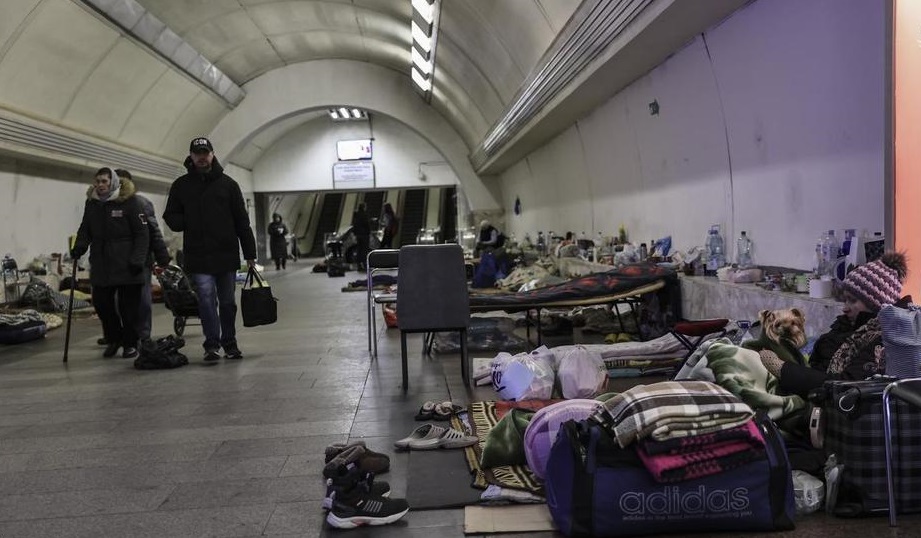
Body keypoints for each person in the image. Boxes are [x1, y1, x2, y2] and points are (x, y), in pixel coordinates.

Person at [759, 252, 908, 398]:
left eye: (852, 300)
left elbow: (847, 384)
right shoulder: (851, 327)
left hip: (834, 409)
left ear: (876, 304)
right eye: (845, 300)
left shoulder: (883, 341)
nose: (845, 307)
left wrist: (783, 369)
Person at [163, 137, 257, 363]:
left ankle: (230, 343)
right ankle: (212, 345)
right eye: (198, 153)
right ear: (191, 156)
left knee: (227, 302)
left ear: (213, 155)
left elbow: (242, 222)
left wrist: (250, 254)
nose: (202, 157)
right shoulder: (182, 186)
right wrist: (188, 220)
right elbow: (171, 216)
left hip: (226, 254)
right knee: (205, 298)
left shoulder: (228, 185)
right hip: (198, 254)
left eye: (206, 153)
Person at [72, 167, 150, 359]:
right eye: (97, 181)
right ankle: (115, 338)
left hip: (127, 264)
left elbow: (142, 235)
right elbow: (85, 230)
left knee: (128, 308)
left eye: (104, 181)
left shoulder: (130, 202)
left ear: (113, 182)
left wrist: (137, 259)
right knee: (102, 304)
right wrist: (79, 247)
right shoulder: (92, 204)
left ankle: (130, 343)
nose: (100, 185)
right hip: (102, 264)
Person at [116, 169, 170, 342]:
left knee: (142, 299)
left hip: (140, 260)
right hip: (116, 262)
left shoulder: (141, 203)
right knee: (119, 301)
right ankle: (123, 335)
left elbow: (153, 231)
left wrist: (162, 256)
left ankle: (143, 334)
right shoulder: (105, 205)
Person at [351, 203, 371, 271]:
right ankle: (365, 265)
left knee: (359, 250)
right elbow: (366, 224)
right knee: (364, 250)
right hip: (364, 234)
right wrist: (369, 232)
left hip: (358, 235)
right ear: (364, 207)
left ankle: (359, 265)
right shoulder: (364, 215)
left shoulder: (356, 215)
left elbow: (354, 225)